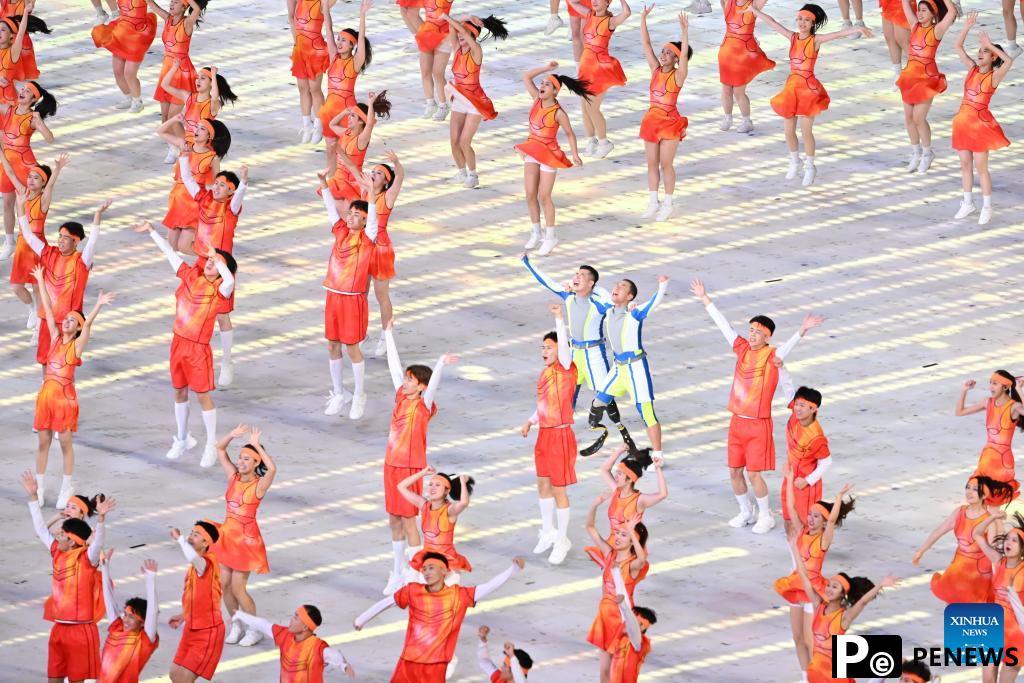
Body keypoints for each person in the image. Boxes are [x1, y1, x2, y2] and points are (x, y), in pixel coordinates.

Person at [690, 277, 825, 534]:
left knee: (754, 474)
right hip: (737, 422)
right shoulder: (741, 348)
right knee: (733, 471)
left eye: (757, 333)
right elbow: (723, 326)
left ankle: (765, 516)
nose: (752, 335)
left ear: (767, 337)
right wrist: (705, 299)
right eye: (751, 330)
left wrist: (802, 330)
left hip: (758, 425)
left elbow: (786, 349)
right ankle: (745, 511)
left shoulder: (772, 356)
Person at [130, 221, 236, 466]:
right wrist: (152, 231)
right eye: (208, 260)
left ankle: (211, 443)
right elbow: (170, 254)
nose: (209, 262)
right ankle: (182, 438)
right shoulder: (190, 276)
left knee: (202, 396)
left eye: (215, 262)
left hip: (198, 349)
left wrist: (218, 258)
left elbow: (230, 280)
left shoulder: (221, 290)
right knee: (179, 391)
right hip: (178, 343)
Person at [749, 2, 873, 186]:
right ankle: (794, 160)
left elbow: (837, 34)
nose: (802, 23)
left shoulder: (815, 40)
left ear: (813, 23)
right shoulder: (792, 37)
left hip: (808, 89)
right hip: (792, 88)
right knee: (788, 131)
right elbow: (773, 23)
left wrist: (858, 27)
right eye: (800, 19)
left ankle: (810, 166)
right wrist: (754, 10)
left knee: (806, 131)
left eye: (807, 20)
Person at [353, 554, 526, 683]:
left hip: (435, 667)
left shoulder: (459, 595)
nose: (426, 572)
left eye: (431, 567)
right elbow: (388, 602)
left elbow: (489, 587)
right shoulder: (413, 591)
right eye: (424, 569)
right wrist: (361, 619)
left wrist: (513, 570)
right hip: (408, 662)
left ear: (444, 571)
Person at [380, 318, 458, 593]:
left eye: (410, 379)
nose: (405, 381)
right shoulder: (401, 397)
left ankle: (414, 572)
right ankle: (397, 571)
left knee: (409, 521)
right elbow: (393, 366)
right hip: (390, 466)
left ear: (421, 386)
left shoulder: (425, 406)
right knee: (393, 520)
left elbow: (434, 384)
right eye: (406, 378)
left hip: (409, 469)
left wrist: (439, 363)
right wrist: (388, 334)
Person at [30, 264, 115, 510]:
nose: (67, 321)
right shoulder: (55, 337)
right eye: (66, 318)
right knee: (43, 442)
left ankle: (67, 485)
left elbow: (88, 327)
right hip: (46, 396)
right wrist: (42, 280)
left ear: (77, 328)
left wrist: (97, 306)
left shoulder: (75, 347)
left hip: (64, 398)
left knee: (65, 443)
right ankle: (40, 485)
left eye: (72, 320)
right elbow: (47, 307)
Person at [21, 470, 111, 683]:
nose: (57, 535)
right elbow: (41, 530)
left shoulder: (86, 557)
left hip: (81, 629)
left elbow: (97, 544)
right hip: (59, 628)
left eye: (62, 534)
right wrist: (33, 498)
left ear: (72, 540)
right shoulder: (57, 551)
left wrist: (101, 519)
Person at [178, 153, 247, 387]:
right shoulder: (204, 198)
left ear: (231, 192)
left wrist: (244, 182)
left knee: (222, 316)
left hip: (220, 266)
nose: (217, 187)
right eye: (216, 182)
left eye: (223, 185)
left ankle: (226, 361)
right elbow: (187, 179)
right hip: (200, 263)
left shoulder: (231, 209)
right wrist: (184, 157)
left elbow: (238, 197)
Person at [583, 276, 670, 460]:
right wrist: (586, 282)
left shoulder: (634, 314)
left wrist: (662, 285)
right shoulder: (609, 310)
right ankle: (614, 435)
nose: (616, 287)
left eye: (622, 287)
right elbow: (596, 291)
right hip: (618, 369)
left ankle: (658, 456)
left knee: (646, 412)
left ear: (629, 296)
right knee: (598, 404)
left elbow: (653, 303)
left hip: (635, 368)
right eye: (616, 285)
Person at [789, 538, 899, 683]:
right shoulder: (818, 605)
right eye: (829, 585)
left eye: (835, 587)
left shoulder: (844, 617)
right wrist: (796, 549)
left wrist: (880, 585)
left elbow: (862, 602)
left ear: (842, 594)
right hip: (817, 673)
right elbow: (804, 576)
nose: (829, 588)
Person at [775, 473, 855, 673]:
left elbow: (833, 519)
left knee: (811, 643)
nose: (810, 518)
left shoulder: (823, 540)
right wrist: (789, 478)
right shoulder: (801, 531)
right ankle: (805, 677)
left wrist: (838, 497)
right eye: (810, 514)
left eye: (816, 516)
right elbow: (791, 507)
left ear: (824, 521)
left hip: (813, 590)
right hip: (795, 585)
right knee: (797, 638)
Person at [317, 175, 382, 419]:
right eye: (351, 213)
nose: (351, 216)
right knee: (333, 345)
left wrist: (371, 193)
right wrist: (324, 184)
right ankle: (339, 392)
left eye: (358, 215)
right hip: (333, 295)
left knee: (352, 348)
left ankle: (359, 394)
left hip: (352, 298)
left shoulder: (367, 239)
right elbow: (330, 209)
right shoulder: (340, 232)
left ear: (366, 222)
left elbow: (374, 216)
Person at [17, 194, 108, 365]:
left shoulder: (82, 261)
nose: (60, 240)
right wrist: (21, 208)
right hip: (48, 318)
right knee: (45, 360)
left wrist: (98, 215)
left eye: (65, 238)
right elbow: (28, 237)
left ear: (76, 241)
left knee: (65, 363)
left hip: (69, 321)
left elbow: (93, 242)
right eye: (59, 236)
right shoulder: (49, 253)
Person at [519, 304, 578, 565]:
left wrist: (558, 319)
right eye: (542, 348)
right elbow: (543, 405)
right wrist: (530, 421)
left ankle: (563, 538)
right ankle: (549, 531)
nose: (544, 351)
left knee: (558, 490)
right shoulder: (545, 373)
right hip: (543, 434)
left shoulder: (567, 368)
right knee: (542, 485)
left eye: (549, 347)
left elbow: (564, 346)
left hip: (560, 437)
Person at [521, 255, 618, 412]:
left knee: (607, 392)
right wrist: (526, 262)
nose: (576, 276)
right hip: (574, 352)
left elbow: (614, 304)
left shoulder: (599, 303)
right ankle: (565, 425)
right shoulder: (568, 296)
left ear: (591, 283)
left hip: (594, 353)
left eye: (582, 275)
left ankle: (602, 417)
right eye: (576, 273)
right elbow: (546, 281)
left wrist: (595, 289)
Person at [514, 61, 590, 256]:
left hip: (548, 154)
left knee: (543, 196)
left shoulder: (558, 112)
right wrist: (547, 69)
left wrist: (575, 154)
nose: (541, 86)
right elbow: (526, 76)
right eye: (542, 83)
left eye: (547, 84)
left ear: (555, 92)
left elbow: (570, 134)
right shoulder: (535, 100)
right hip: (532, 149)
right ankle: (536, 232)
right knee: (530, 193)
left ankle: (550, 236)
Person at [213, 423, 276, 647]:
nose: (240, 462)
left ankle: (255, 628)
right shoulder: (233, 477)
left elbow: (273, 470)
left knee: (239, 588)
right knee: (226, 586)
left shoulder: (259, 486)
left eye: (246, 459)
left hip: (246, 540)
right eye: (240, 458)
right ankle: (237, 623)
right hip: (227, 536)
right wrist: (231, 435)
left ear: (256, 462)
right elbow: (220, 450)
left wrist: (258, 445)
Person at [951, 12, 1013, 226]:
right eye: (980, 50)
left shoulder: (993, 76)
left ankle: (986, 206)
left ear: (993, 57)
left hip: (978, 125)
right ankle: (967, 202)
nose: (980, 53)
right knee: (964, 165)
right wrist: (967, 26)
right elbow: (958, 47)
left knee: (981, 166)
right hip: (962, 122)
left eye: (985, 52)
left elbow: (1009, 60)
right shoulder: (972, 70)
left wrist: (991, 44)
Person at [913, 476, 1009, 603]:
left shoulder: (989, 520)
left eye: (974, 489)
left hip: (978, 573)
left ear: (984, 494)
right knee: (952, 602)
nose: (969, 492)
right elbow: (939, 531)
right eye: (967, 487)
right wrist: (921, 551)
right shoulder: (960, 511)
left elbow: (993, 554)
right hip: (958, 567)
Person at [585, 492, 649, 683]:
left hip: (622, 620)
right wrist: (594, 505)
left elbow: (642, 558)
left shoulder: (632, 565)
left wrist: (632, 533)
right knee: (604, 673)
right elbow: (590, 528)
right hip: (605, 617)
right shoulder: (609, 554)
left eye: (624, 535)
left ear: (632, 541)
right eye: (619, 533)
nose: (619, 537)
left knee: (620, 673)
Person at [441, 13, 508, 188]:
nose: (460, 38)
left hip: (475, 102)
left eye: (465, 36)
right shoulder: (456, 49)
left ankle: (473, 174)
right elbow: (454, 27)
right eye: (459, 35)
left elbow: (458, 28)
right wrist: (467, 16)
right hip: (460, 99)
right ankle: (461, 172)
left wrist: (451, 20)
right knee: (454, 141)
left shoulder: (476, 51)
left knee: (464, 142)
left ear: (473, 37)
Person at [3, 152, 65, 332]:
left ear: (43, 183)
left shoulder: (43, 200)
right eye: (30, 176)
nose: (30, 180)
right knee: (16, 287)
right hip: (23, 246)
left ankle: (40, 325)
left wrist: (57, 170)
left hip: (37, 247)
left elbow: (52, 185)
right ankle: (31, 309)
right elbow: (11, 172)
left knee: (38, 288)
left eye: (36, 178)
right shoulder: (22, 193)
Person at [638, 9, 689, 222]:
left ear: (676, 59)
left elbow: (685, 54)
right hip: (651, 122)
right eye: (663, 51)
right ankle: (653, 201)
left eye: (669, 53)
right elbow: (647, 45)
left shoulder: (678, 75)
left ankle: (668, 203)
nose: (663, 54)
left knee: (665, 165)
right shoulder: (655, 70)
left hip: (669, 123)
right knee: (651, 164)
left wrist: (684, 32)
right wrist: (642, 19)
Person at [896, 0, 957, 173]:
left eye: (924, 10)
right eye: (919, 10)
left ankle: (927, 152)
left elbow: (951, 12)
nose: (920, 13)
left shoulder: (936, 30)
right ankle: (916, 153)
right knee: (908, 117)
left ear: (933, 13)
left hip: (926, 79)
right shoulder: (915, 25)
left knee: (918, 118)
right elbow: (905, 4)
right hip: (909, 77)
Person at [1, 75, 56, 263]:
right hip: (6, 164)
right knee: (7, 204)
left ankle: (28, 245)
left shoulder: (32, 117)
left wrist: (40, 123)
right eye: (22, 89)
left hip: (25, 167)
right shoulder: (9, 109)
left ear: (34, 99)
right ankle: (9, 243)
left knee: (24, 208)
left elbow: (50, 139)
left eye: (27, 91)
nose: (22, 92)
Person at [157, 115, 232, 254]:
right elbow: (161, 131)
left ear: (209, 136)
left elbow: (217, 183)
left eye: (202, 128)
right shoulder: (184, 144)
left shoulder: (212, 157)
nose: (197, 130)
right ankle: (210, 254)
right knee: (172, 246)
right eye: (197, 127)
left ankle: (214, 258)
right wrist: (175, 119)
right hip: (177, 198)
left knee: (184, 246)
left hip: (194, 201)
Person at [565, 0, 629, 159]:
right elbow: (573, 4)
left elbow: (626, 13)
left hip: (599, 68)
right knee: (584, 107)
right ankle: (591, 140)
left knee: (593, 108)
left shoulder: (610, 22)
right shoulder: (589, 15)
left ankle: (604, 142)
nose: (594, 1)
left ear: (607, 3)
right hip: (586, 65)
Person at [775, 359, 831, 532]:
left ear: (814, 409)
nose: (797, 408)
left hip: (806, 487)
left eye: (802, 406)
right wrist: (782, 368)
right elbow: (788, 388)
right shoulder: (795, 415)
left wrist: (807, 480)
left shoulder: (816, 436)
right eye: (797, 404)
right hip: (790, 478)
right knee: (788, 521)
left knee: (806, 528)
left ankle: (810, 557)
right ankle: (795, 558)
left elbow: (827, 462)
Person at [149, 0, 207, 163]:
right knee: (165, 118)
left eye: (176, 2)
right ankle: (174, 148)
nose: (171, 4)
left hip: (182, 72)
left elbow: (197, 8)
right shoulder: (168, 19)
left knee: (174, 116)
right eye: (171, 1)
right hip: (167, 69)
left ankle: (190, 150)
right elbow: (153, 6)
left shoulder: (187, 22)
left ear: (184, 6)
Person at [232, 605, 356, 679]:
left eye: (296, 617)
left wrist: (344, 666)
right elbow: (263, 625)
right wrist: (240, 615)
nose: (291, 620)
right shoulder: (285, 635)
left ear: (305, 627)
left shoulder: (316, 647)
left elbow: (333, 655)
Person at [168, 520, 224, 683]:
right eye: (191, 533)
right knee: (174, 674)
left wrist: (180, 539)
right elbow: (198, 597)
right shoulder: (194, 567)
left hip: (207, 632)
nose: (191, 537)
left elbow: (193, 558)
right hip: (191, 628)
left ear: (206, 543)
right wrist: (184, 614)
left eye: (196, 535)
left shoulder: (207, 563)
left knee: (184, 679)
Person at [972, 510, 1024, 683]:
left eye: (1014, 540)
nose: (1008, 542)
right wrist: (993, 518)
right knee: (987, 680)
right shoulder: (998, 561)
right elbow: (977, 534)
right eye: (1008, 538)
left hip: (1016, 634)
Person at [319, 0, 371, 171]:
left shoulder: (355, 63)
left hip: (347, 112)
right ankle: (331, 182)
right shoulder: (334, 57)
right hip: (329, 111)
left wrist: (362, 15)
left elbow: (361, 39)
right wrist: (325, 8)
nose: (339, 43)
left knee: (345, 151)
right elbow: (328, 28)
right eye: (338, 39)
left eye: (344, 41)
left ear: (352, 45)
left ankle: (344, 182)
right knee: (329, 150)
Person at [955, 371, 1024, 499]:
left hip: (1003, 461)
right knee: (981, 500)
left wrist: (1019, 389)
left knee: (994, 503)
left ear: (1005, 387)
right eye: (990, 383)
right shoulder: (987, 402)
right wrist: (964, 390)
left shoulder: (1014, 407)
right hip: (986, 459)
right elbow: (959, 412)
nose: (990, 387)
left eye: (995, 384)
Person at [399, 467, 474, 583]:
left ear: (447, 491)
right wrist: (422, 473)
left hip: (446, 561)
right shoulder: (424, 505)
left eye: (438, 485)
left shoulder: (450, 510)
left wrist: (462, 481)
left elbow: (464, 502)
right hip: (428, 560)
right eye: (431, 484)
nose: (432, 488)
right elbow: (401, 487)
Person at [365, 151, 404, 357]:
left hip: (380, 249)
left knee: (381, 296)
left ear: (385, 181)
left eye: (378, 173)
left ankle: (386, 337)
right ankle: (362, 334)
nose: (373, 174)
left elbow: (400, 178)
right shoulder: (365, 193)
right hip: (363, 247)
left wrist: (396, 162)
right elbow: (353, 170)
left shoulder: (387, 196)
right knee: (359, 293)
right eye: (372, 171)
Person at [98, 551, 160, 682]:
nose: (125, 620)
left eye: (131, 617)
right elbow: (108, 598)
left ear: (143, 622)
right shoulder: (117, 628)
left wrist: (150, 579)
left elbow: (153, 612)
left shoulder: (145, 640)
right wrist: (105, 568)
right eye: (125, 615)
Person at [717, 0, 776, 134]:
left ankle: (746, 121)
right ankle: (727, 117)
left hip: (743, 54)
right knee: (726, 89)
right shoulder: (728, 2)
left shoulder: (754, 4)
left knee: (738, 91)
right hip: (726, 52)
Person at [91, 0, 158, 113]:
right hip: (121, 33)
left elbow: (156, 8)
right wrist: (100, 11)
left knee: (129, 74)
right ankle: (128, 97)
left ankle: (137, 101)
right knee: (118, 71)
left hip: (137, 37)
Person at [324, 90, 390, 203]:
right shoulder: (347, 133)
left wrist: (370, 104)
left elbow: (369, 124)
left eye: (353, 116)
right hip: (338, 178)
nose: (349, 118)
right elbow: (332, 125)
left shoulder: (361, 140)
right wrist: (344, 112)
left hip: (352, 181)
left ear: (360, 121)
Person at [159, 62, 238, 147]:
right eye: (197, 78)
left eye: (203, 78)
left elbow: (215, 96)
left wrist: (214, 75)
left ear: (211, 83)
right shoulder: (188, 97)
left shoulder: (214, 104)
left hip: (202, 144)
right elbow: (164, 85)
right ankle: (174, 149)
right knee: (174, 120)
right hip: (187, 141)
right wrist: (174, 67)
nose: (198, 81)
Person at [599, 445, 668, 536]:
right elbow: (605, 469)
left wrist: (658, 468)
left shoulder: (639, 500)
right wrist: (619, 450)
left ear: (630, 479)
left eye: (619, 474)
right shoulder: (617, 491)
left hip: (631, 546)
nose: (615, 476)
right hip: (614, 543)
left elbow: (663, 494)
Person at [288, 0, 329, 143]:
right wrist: (296, 43)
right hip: (300, 48)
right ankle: (307, 125)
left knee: (314, 89)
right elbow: (291, 17)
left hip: (316, 50)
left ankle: (319, 125)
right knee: (302, 88)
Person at [412, 0, 455, 120]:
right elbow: (412, 12)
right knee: (425, 71)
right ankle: (430, 104)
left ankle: (444, 105)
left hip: (444, 36)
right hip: (427, 34)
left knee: (437, 73)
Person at [607, 589, 656, 683]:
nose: (628, 623)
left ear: (643, 627)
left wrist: (623, 604)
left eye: (639, 624)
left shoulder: (638, 642)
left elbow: (633, 629)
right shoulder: (621, 638)